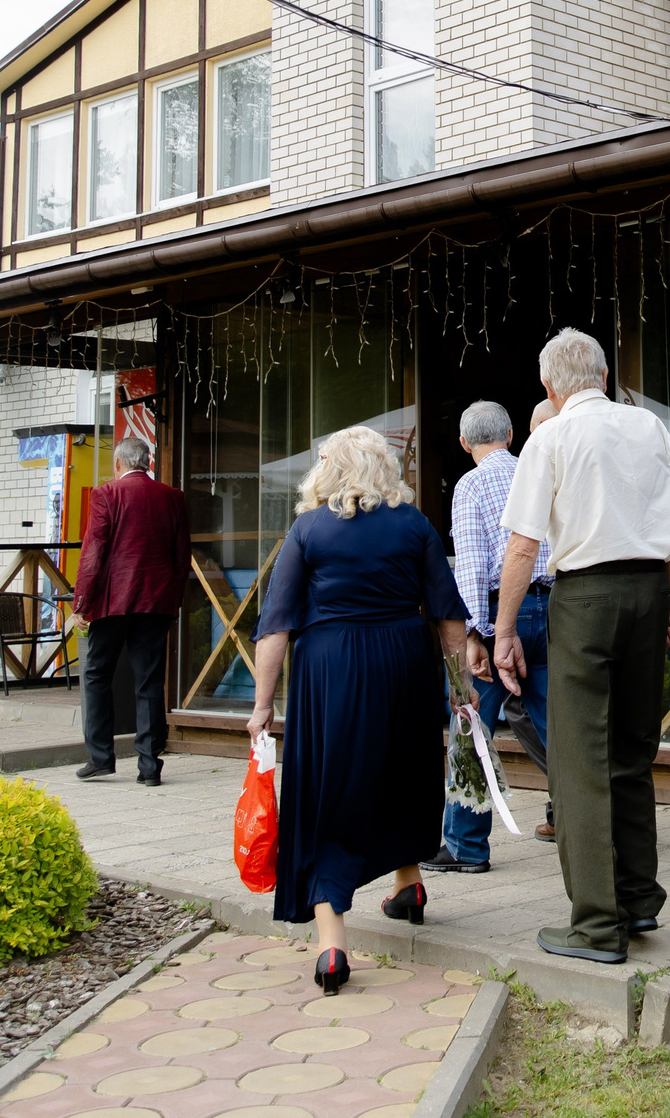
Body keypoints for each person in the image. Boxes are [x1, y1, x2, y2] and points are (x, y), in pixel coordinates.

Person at [487, 328, 670, 965]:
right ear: (603, 375)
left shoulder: (549, 436)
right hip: (647, 588)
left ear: (550, 386)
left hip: (585, 597)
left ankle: (597, 926)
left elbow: (522, 547)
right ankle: (637, 900)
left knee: (578, 764)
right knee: (632, 750)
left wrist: (502, 631)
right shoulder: (649, 428)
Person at [245, 427, 469, 996]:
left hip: (332, 669)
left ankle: (331, 946)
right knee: (401, 768)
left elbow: (277, 625)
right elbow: (447, 616)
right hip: (404, 661)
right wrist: (459, 687)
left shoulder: (308, 529)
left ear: (333, 471)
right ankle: (409, 885)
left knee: (332, 785)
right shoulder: (414, 525)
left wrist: (262, 704)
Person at [430, 400, 551, 876]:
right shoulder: (537, 471)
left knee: (469, 722)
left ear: (464, 443)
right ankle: (583, 824)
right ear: (511, 435)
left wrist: (476, 634)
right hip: (553, 607)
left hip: (503, 615)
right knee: (559, 724)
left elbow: (474, 568)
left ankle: (465, 846)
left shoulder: (471, 484)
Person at [72, 436, 189, 787]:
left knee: (96, 675)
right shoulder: (173, 497)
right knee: (150, 680)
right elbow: (181, 556)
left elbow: (94, 550)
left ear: (118, 464)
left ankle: (100, 758)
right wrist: (175, 601)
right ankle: (149, 767)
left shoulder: (106, 494)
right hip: (156, 600)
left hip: (112, 601)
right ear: (148, 462)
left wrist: (82, 603)